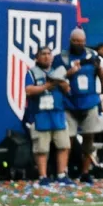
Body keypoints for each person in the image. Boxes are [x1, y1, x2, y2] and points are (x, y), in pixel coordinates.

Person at [63, 28, 103, 183]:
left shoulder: (92, 55)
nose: (78, 44)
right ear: (70, 40)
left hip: (89, 101)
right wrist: (69, 72)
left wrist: (100, 71)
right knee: (67, 140)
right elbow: (55, 77)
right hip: (70, 103)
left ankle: (85, 172)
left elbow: (102, 77)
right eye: (75, 41)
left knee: (89, 137)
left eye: (81, 41)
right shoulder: (63, 57)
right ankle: (64, 171)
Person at [23, 44, 70, 183]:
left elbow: (68, 89)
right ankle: (43, 176)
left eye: (49, 54)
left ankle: (61, 175)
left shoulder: (59, 71)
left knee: (63, 145)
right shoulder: (32, 72)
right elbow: (28, 90)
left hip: (58, 114)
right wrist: (45, 87)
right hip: (40, 115)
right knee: (41, 148)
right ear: (37, 57)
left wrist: (60, 82)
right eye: (43, 54)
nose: (46, 56)